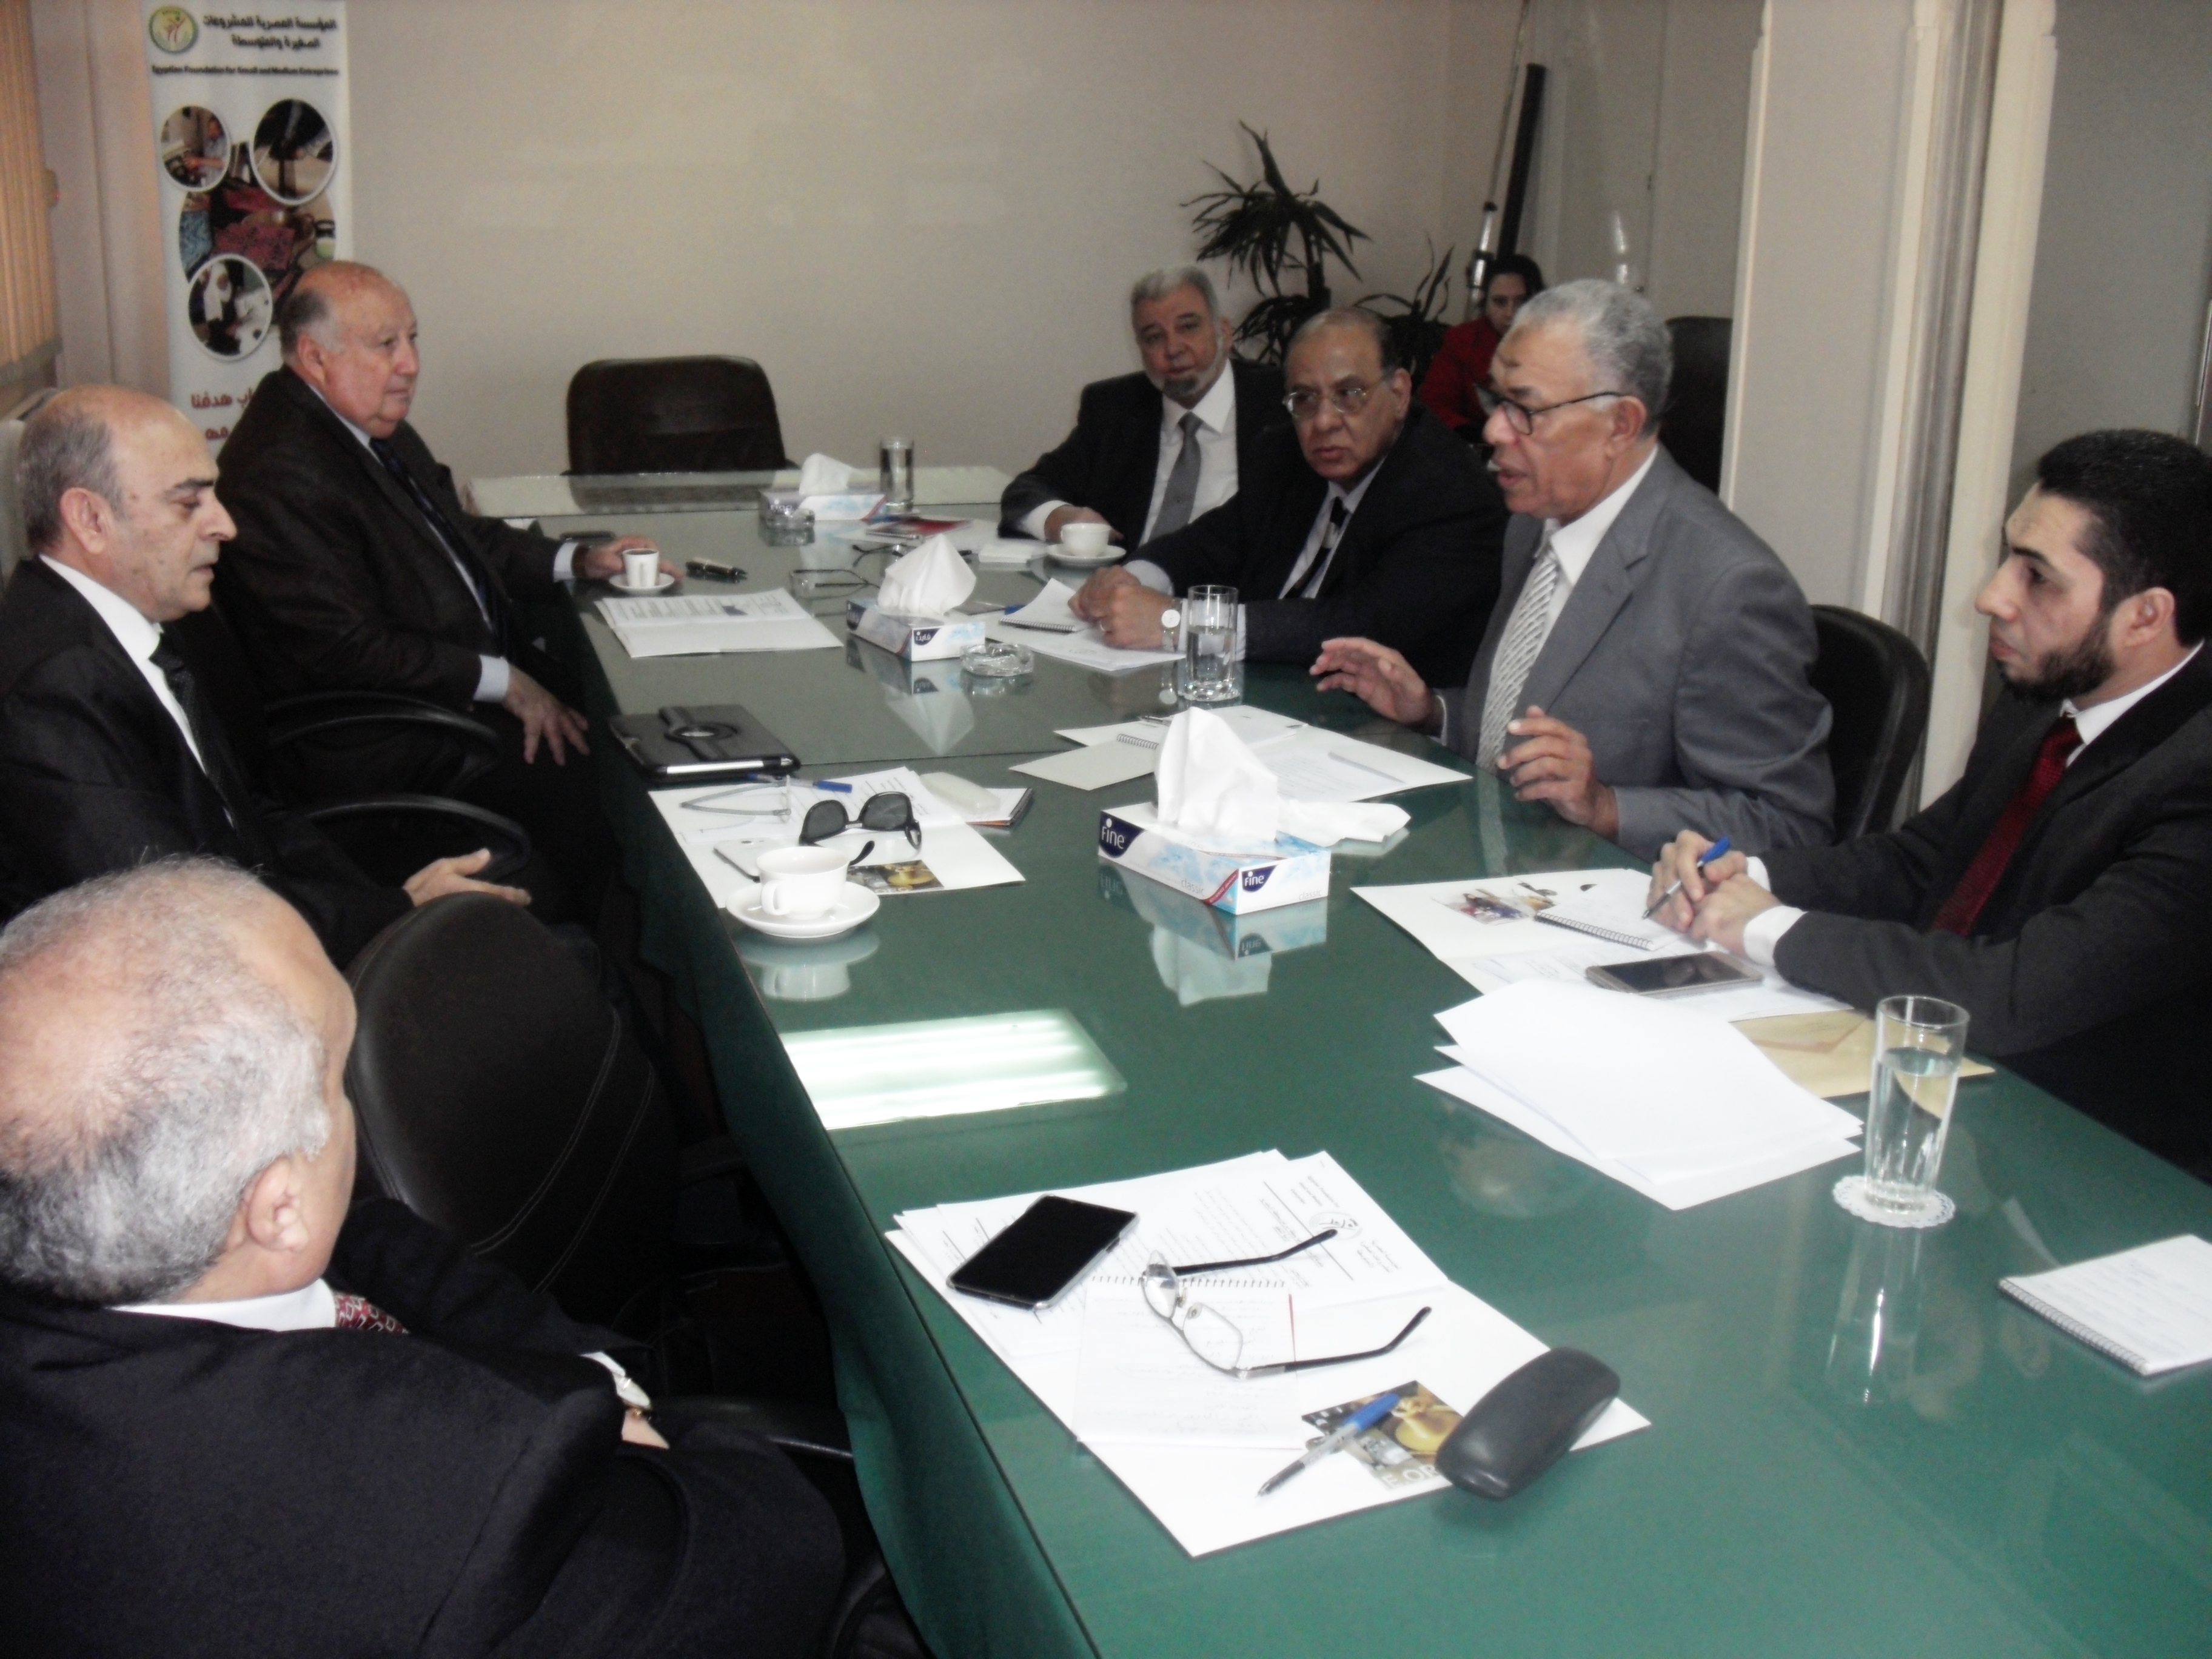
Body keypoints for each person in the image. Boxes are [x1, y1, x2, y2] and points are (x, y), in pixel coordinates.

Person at [0, 861, 844, 1655]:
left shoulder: (154, 1232)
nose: (352, 1105)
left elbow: (369, 1234)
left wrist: (589, 1373)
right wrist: (604, 1408)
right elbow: (784, 1553)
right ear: (279, 1208)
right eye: (338, 1079)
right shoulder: (461, 1507)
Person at [1651, 431, 2212, 1177]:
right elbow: (1923, 862)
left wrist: (1764, 925)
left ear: (2145, 616)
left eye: (2038, 577)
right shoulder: (2051, 695)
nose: (1992, 597)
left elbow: (2015, 993)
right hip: (1952, 1090)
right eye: (2008, 558)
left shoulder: (2196, 776)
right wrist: (1749, 873)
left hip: (2103, 1166)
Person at [0, 387, 526, 967]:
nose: (225, 525)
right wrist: (395, 911)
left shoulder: (132, 620)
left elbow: (239, 812)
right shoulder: (52, 691)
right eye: (188, 504)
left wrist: (384, 902)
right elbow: (176, 925)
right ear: (90, 519)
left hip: (261, 924)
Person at [1312, 279, 1832, 859]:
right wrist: (1433, 712)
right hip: (1495, 867)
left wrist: (1608, 807)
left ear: (1621, 424)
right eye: (1495, 399)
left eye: (1526, 410)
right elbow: (1527, 725)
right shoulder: (1534, 522)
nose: (1493, 430)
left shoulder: (1728, 587)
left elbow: (1790, 826)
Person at [211, 260, 659, 917]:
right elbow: (345, 651)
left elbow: (459, 536)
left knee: (630, 719)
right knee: (606, 782)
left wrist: (581, 560)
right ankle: (601, 951)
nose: (411, 364)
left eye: (412, 339)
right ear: (314, 357)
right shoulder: (278, 471)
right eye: (385, 345)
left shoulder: (364, 426)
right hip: (386, 739)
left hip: (443, 690)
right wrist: (503, 681)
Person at [1070, 307, 1507, 688]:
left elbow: (1362, 625)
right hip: (1259, 695)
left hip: (1377, 730)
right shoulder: (1284, 455)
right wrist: (1131, 581)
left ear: (1398, 393)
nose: (1324, 421)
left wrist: (1179, 623)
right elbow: (1209, 542)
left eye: (1349, 395)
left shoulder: (1451, 494)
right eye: (1305, 399)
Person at [1000, 265, 1286, 548]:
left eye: (1188, 327)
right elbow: (1029, 489)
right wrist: (1059, 519)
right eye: (1154, 337)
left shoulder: (1281, 401)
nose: (1173, 349)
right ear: (1140, 347)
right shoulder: (1114, 407)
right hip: (1123, 574)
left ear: (1224, 332)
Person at [1417, 253, 1545, 438]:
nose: (1510, 313)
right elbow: (1434, 402)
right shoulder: (1463, 340)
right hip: (1471, 441)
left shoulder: (1556, 344)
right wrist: (1469, 432)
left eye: (1521, 302)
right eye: (1500, 302)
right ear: (1486, 303)